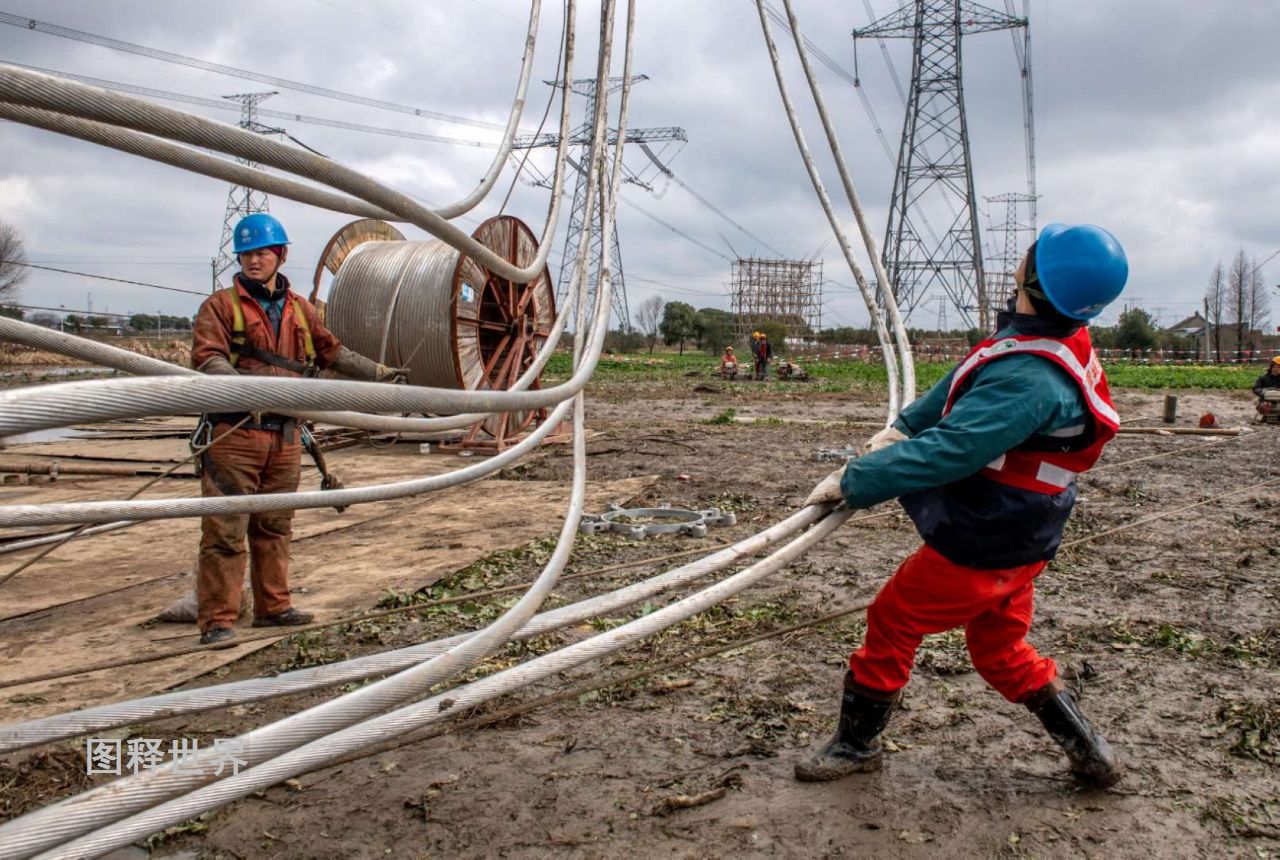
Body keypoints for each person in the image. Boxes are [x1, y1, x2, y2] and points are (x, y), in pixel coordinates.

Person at [799, 223, 1130, 788]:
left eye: (1032, 254)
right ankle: (1091, 753)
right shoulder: (1047, 336)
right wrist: (902, 429)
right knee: (1000, 650)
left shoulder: (1032, 381)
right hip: (1022, 536)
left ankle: (855, 746)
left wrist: (856, 479)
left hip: (987, 537)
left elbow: (953, 450)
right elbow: (966, 374)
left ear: (1038, 279)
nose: (1022, 256)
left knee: (893, 618)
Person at [190, 213, 405, 646]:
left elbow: (332, 352)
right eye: (246, 254)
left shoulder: (300, 311)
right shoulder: (222, 307)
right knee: (225, 531)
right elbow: (207, 357)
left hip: (285, 435)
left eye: (262, 253)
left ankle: (273, 609)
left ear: (281, 256)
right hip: (236, 435)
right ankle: (217, 622)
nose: (253, 261)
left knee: (275, 526)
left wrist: (379, 373)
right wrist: (244, 391)